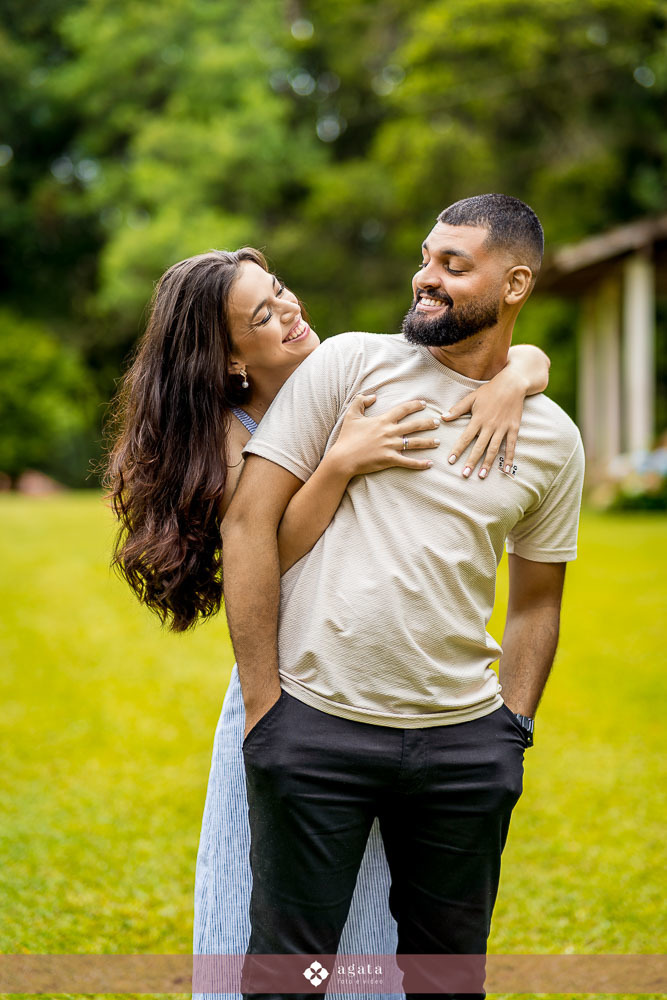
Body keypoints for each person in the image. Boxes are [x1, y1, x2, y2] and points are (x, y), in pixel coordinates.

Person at [103, 239, 552, 1000]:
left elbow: (492, 346)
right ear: (228, 361)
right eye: (262, 315)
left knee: (376, 917)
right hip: (288, 692)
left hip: (395, 699)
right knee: (276, 929)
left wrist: (521, 372)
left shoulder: (342, 372)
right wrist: (342, 462)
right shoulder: (232, 431)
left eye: (281, 293)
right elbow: (267, 551)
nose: (290, 314)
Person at [221, 194, 586, 1000]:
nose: (425, 277)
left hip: (463, 750)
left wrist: (510, 730)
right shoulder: (351, 363)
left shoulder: (554, 439)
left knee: (446, 982)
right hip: (313, 729)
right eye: (426, 257)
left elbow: (536, 599)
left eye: (453, 267)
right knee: (287, 982)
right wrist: (263, 704)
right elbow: (248, 524)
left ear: (515, 283)